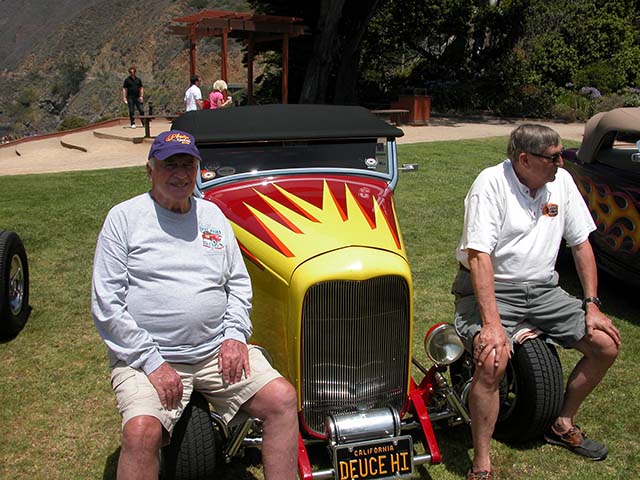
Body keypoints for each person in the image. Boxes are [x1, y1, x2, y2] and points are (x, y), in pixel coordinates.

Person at [91, 130, 298, 480]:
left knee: (282, 399)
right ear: (150, 170)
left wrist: (234, 335)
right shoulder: (124, 219)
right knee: (141, 431)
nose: (181, 174)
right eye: (170, 164)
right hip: (150, 358)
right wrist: (152, 362)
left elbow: (238, 283)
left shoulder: (213, 216)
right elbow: (106, 305)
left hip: (216, 351)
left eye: (188, 165)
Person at [452, 124, 621, 480]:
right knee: (492, 359)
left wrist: (591, 303)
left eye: (561, 154)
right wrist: (493, 324)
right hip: (492, 287)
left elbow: (580, 244)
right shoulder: (490, 184)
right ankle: (481, 462)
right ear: (524, 159)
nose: (561, 162)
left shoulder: (560, 181)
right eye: (554, 157)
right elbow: (479, 256)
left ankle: (561, 423)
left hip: (544, 289)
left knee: (605, 345)